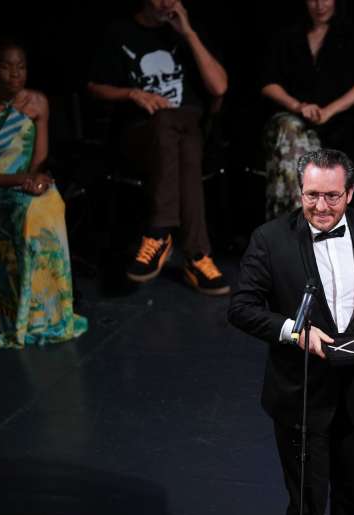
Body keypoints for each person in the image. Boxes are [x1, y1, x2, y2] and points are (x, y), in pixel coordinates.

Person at [228, 149, 354, 515]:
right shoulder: (270, 239)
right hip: (301, 393)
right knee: (307, 505)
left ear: (350, 192)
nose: (321, 207)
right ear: (299, 191)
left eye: (332, 196)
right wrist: (296, 332)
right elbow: (241, 308)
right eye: (312, 195)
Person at [88, 0, 230, 295]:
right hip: (140, 136)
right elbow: (94, 86)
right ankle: (198, 257)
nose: (166, 2)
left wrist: (188, 33)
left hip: (189, 136)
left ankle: (159, 232)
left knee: (184, 138)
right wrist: (132, 93)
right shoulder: (120, 32)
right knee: (170, 125)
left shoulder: (189, 32)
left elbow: (219, 87)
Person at [0, 39, 87, 348]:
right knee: (30, 211)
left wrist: (37, 180)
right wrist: (23, 180)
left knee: (50, 203)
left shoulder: (37, 102)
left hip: (27, 182)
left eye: (21, 67)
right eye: (6, 67)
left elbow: (40, 156)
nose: (15, 74)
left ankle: (52, 313)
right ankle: (25, 313)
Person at [260, 0, 354, 219]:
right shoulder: (288, 35)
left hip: (339, 122)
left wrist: (329, 111)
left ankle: (300, 220)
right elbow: (268, 83)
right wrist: (299, 106)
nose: (319, 5)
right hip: (292, 119)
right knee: (290, 129)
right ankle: (298, 218)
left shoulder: (352, 34)